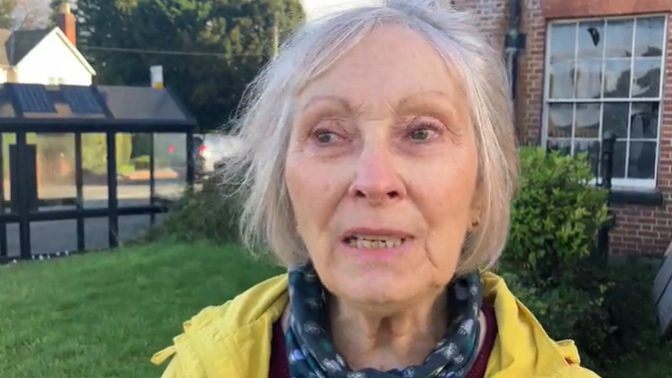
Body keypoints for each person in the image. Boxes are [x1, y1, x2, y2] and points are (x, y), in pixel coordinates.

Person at [151, 1, 601, 377]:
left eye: (422, 132)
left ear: (481, 190)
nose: (374, 181)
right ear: (283, 185)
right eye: (327, 135)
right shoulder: (204, 367)